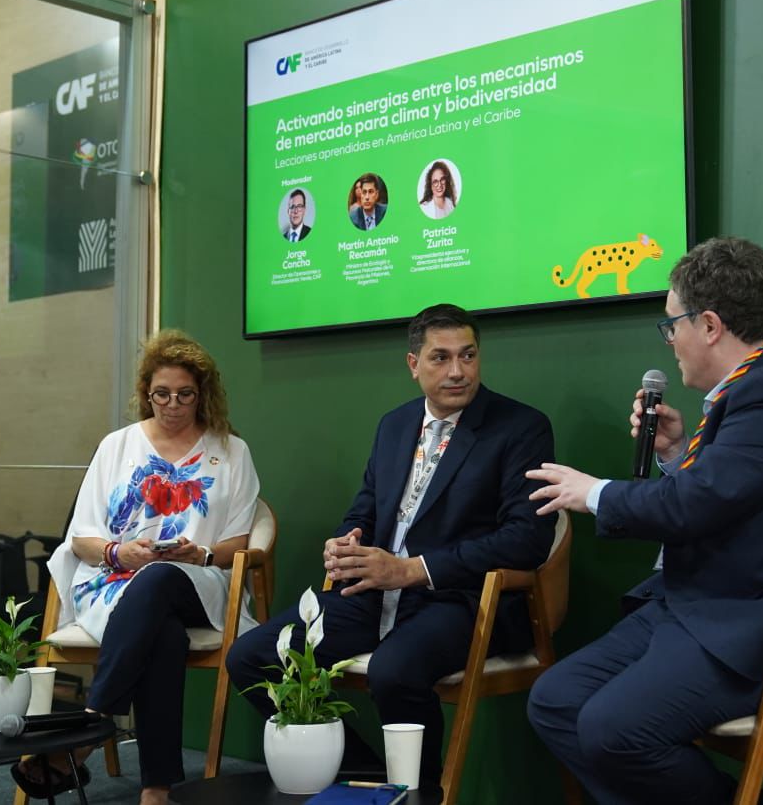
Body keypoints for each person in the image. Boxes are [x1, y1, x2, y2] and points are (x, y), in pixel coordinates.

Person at [523, 237, 763, 805]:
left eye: (673, 325)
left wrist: (592, 492)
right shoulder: (756, 387)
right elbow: (719, 499)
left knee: (614, 730)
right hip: (717, 604)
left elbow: (693, 509)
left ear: (711, 325)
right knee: (557, 701)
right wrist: (673, 455)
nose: (671, 341)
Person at [226, 303, 554, 792]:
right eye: (441, 358)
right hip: (373, 592)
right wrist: (348, 542)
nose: (458, 371)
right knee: (252, 656)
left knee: (394, 671)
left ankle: (420, 790)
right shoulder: (395, 425)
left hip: (459, 598)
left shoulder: (520, 428)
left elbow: (526, 539)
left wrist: (413, 570)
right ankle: (372, 778)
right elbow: (366, 509)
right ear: (413, 365)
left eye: (468, 355)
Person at [12, 329, 260, 805]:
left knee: (162, 577)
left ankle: (86, 731)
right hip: (114, 581)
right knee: (162, 634)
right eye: (160, 394)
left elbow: (237, 543)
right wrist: (116, 554)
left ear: (202, 394)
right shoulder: (117, 446)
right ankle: (157, 787)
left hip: (197, 582)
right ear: (146, 393)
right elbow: (81, 538)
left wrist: (200, 554)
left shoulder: (231, 451)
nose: (171, 405)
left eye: (184, 395)